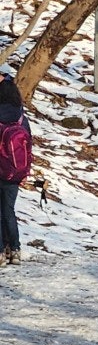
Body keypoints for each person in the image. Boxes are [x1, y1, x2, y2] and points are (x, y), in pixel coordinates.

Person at [0, 74, 31, 266]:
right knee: (8, 210)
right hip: (15, 171)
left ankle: (1, 253)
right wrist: (25, 171)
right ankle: (16, 250)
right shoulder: (21, 117)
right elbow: (28, 145)